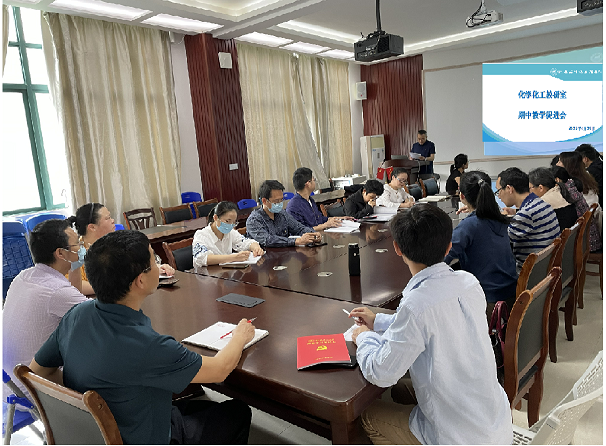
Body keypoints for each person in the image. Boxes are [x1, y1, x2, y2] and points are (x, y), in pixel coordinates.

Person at [30, 230, 253, 445]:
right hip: (145, 437)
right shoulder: (148, 346)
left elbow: (37, 370)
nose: (158, 265)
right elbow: (220, 369)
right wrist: (240, 336)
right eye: (154, 261)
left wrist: (83, 397)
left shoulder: (77, 314)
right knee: (238, 412)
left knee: (192, 403)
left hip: (100, 432)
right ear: (140, 281)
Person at [348, 205, 512, 445]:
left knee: (368, 416)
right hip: (493, 421)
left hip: (458, 437)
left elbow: (381, 373)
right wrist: (379, 321)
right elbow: (433, 320)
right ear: (448, 247)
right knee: (400, 390)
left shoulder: (416, 304)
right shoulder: (468, 282)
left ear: (397, 248)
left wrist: (363, 336)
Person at [3, 219, 87, 398]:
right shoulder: (56, 291)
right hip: (35, 392)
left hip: (10, 386)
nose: (81, 248)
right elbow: (100, 318)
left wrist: (75, 266)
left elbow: (74, 298)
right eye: (77, 245)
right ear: (60, 253)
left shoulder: (24, 276)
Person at [444, 171, 518, 312]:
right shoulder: (499, 217)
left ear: (462, 196)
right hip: (510, 293)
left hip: (489, 300)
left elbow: (444, 257)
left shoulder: (469, 226)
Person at [68, 202, 174, 295]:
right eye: (108, 218)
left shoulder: (117, 243)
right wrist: (115, 288)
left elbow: (134, 265)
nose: (113, 220)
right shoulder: (76, 252)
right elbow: (74, 285)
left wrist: (157, 268)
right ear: (92, 227)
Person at [497, 168, 560, 270]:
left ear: (509, 189)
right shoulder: (541, 203)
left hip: (528, 273)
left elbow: (500, 241)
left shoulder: (525, 214)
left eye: (499, 191)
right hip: (546, 267)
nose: (499, 196)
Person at [246, 180, 321, 247]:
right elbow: (268, 240)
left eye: (281, 200)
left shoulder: (282, 214)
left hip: (284, 254)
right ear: (264, 201)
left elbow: (299, 228)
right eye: (276, 201)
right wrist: (296, 241)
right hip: (265, 256)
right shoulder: (254, 220)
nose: (280, 204)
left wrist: (312, 234)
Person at [193, 201, 265, 267]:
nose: (231, 225)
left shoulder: (230, 232)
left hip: (225, 272)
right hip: (205, 274)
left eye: (234, 222)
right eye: (227, 221)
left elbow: (244, 242)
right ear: (215, 218)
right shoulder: (201, 235)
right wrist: (234, 258)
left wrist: (256, 248)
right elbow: (202, 258)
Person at [552, 166, 602, 252]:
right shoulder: (572, 187)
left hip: (585, 244)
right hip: (591, 240)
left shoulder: (566, 193)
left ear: (557, 180)